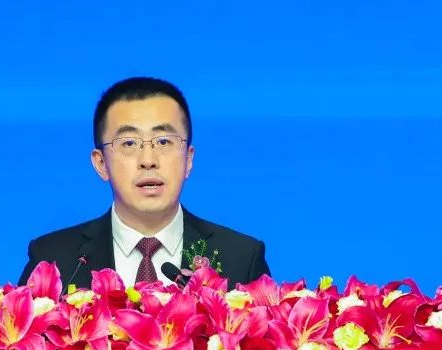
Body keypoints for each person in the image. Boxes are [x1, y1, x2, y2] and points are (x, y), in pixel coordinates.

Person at [17, 77, 271, 289]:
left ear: (188, 159)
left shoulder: (241, 258)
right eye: (129, 143)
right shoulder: (54, 259)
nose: (148, 160)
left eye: (164, 142)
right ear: (101, 163)